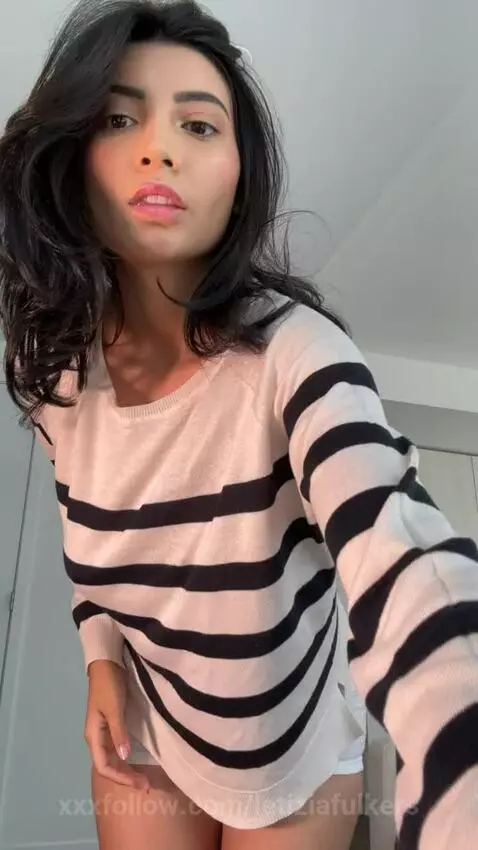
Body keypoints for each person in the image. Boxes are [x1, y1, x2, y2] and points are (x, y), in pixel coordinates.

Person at [0, 1, 477, 848]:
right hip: (152, 731)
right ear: (73, 157)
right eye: (119, 118)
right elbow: (92, 544)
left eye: (198, 124)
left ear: (240, 176)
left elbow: (398, 547)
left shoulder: (298, 356)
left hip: (293, 763)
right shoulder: (60, 372)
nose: (160, 147)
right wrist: (102, 662)